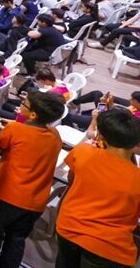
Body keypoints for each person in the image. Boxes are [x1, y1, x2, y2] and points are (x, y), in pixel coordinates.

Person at [0, 91, 64, 268]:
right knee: (16, 240)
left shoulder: (14, 130)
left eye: (24, 104)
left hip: (8, 196)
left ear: (33, 114)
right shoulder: (55, 135)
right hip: (35, 201)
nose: (20, 106)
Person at [55, 108, 140, 268]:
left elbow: (72, 180)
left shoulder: (83, 151)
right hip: (110, 247)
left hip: (69, 228)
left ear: (101, 136)